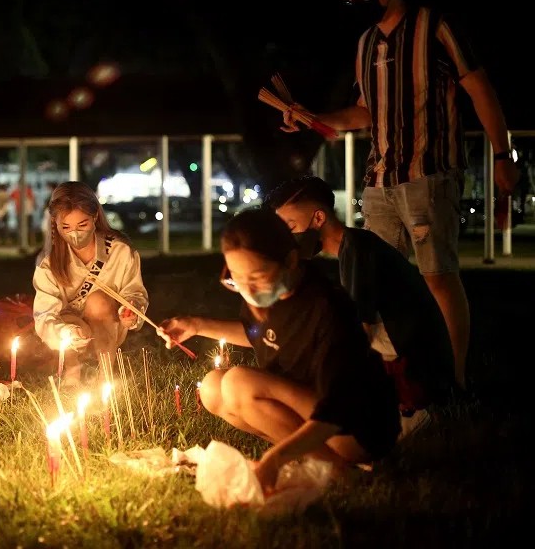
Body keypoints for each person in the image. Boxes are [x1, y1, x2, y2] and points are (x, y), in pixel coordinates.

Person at [282, 0, 519, 388]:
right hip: (379, 179)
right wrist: (311, 118)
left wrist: (503, 154)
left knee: (438, 278)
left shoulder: (436, 27)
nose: (360, 1)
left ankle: (454, 378)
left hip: (429, 172)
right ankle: (394, 375)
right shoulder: (366, 44)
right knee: (375, 281)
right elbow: (363, 113)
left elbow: (480, 88)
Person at [159, 209, 399, 489]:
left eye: (257, 277)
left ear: (290, 260)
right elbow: (263, 335)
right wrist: (196, 325)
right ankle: (315, 457)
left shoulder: (327, 308)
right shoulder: (268, 295)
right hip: (316, 409)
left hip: (357, 426)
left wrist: (274, 459)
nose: (248, 289)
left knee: (238, 383)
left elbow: (337, 409)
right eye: (236, 277)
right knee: (213, 387)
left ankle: (338, 470)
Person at [266, 176, 453, 436]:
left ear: (318, 219)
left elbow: (358, 333)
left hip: (416, 376)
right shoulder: (352, 247)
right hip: (416, 367)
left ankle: (407, 415)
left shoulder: (357, 249)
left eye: (291, 226)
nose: (288, 239)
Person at [33, 181, 148, 385]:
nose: (74, 233)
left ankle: (105, 375)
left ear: (95, 217)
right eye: (65, 227)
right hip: (70, 331)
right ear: (55, 223)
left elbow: (134, 291)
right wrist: (64, 332)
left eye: (82, 225)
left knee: (98, 301)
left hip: (108, 324)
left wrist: (132, 310)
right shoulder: (49, 262)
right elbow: (45, 313)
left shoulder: (119, 251)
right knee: (66, 321)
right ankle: (72, 371)